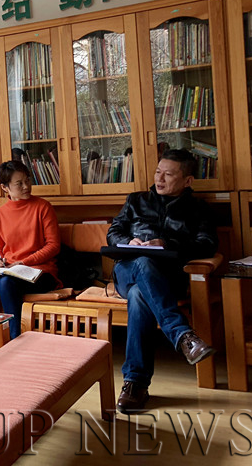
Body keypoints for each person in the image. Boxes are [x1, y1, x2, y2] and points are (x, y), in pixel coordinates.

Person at [107, 148, 218, 414]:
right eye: (158, 172)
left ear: (187, 180)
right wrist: (128, 241)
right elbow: (113, 232)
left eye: (168, 174)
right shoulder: (136, 200)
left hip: (168, 278)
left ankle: (135, 384)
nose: (159, 178)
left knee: (139, 296)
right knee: (142, 263)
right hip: (127, 271)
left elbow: (207, 244)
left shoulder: (198, 209)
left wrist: (167, 243)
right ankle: (183, 335)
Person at [0, 161, 60, 359]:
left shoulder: (43, 207)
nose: (26, 186)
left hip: (41, 272)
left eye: (27, 180)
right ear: (5, 187)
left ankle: (16, 342)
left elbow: (53, 246)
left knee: (6, 283)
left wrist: (24, 262)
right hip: (11, 270)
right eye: (19, 183)